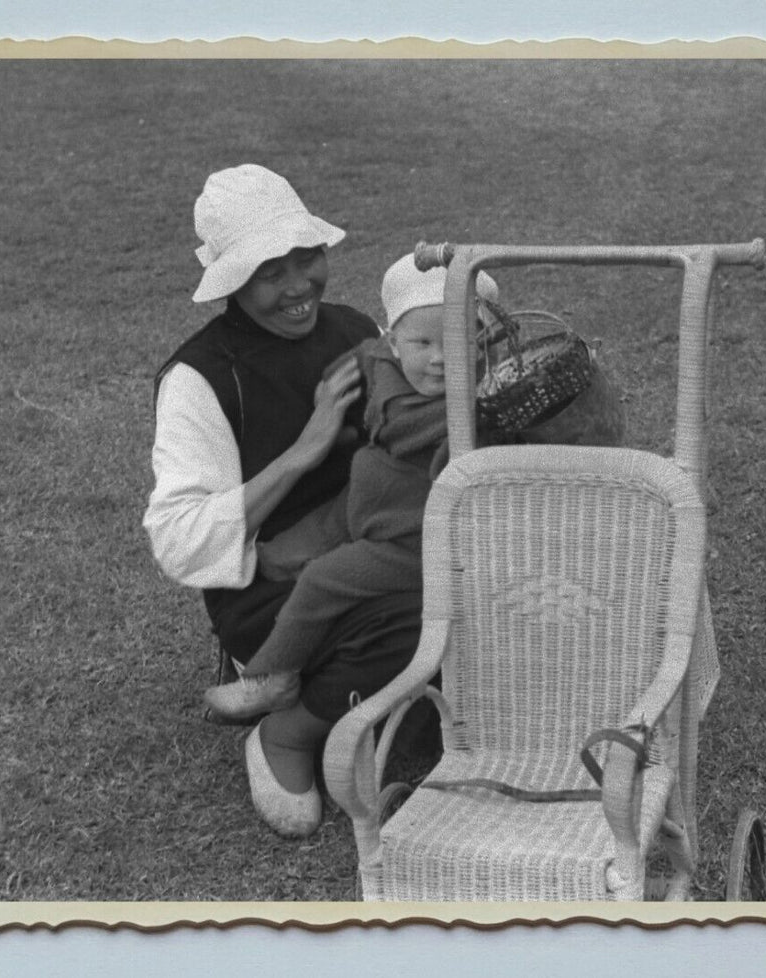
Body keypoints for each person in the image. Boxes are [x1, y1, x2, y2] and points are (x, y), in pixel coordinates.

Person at [143, 164, 422, 838]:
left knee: (474, 577)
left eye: (307, 258)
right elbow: (178, 537)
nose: (298, 286)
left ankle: (396, 721)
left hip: (371, 543)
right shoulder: (201, 377)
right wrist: (308, 444)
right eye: (271, 272)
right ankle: (286, 731)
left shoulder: (352, 326)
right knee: (417, 614)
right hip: (275, 593)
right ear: (232, 280)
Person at [202, 254, 500, 722]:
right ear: (395, 341)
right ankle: (263, 619)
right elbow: (360, 358)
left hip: (415, 536)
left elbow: (409, 432)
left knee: (324, 579)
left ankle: (274, 675)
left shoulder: (482, 406)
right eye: (423, 342)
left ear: (485, 342)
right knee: (285, 550)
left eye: (460, 341)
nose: (440, 358)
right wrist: (331, 398)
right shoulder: (382, 356)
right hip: (365, 497)